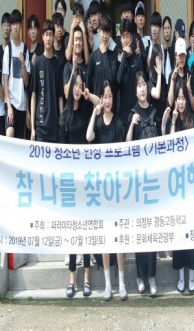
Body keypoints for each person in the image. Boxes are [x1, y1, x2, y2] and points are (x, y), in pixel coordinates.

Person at [59, 68, 99, 298]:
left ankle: (86, 279)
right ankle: (71, 280)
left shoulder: (86, 112)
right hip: (70, 182)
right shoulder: (64, 116)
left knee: (86, 230)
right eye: (75, 84)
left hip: (86, 180)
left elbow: (100, 103)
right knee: (73, 232)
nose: (77, 88)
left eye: (80, 85)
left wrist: (88, 94)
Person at [86, 81, 127, 301]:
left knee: (118, 237)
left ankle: (121, 283)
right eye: (105, 97)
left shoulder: (119, 122)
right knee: (105, 238)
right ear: (101, 98)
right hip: (101, 187)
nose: (108, 100)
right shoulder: (99, 122)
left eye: (111, 96)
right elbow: (89, 137)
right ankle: (108, 284)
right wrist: (95, 113)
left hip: (117, 187)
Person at [126, 71, 160, 297]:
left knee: (153, 228)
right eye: (138, 85)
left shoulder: (155, 111)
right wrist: (131, 125)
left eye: (144, 84)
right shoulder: (132, 114)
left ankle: (152, 276)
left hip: (154, 179)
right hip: (138, 181)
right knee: (140, 228)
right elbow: (127, 145)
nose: (141, 88)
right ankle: (140, 276)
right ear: (135, 89)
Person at [161, 84, 194, 293]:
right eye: (179, 98)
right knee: (178, 230)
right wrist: (173, 121)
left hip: (189, 181)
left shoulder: (192, 120)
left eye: (184, 98)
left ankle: (192, 275)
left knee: (190, 230)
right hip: (175, 184)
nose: (181, 102)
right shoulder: (172, 121)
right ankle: (181, 276)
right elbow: (170, 145)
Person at [30, 19, 64, 142]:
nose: (48, 38)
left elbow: (60, 96)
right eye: (46, 35)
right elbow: (33, 96)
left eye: (51, 35)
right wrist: (33, 128)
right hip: (40, 125)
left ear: (54, 37)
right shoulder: (38, 63)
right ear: (43, 37)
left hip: (54, 125)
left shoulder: (57, 64)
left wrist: (61, 121)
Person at [3, 9, 31, 139]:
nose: (15, 27)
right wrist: (8, 106)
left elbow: (27, 82)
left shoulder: (25, 49)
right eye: (13, 24)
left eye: (17, 24)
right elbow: (5, 80)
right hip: (11, 102)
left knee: (19, 139)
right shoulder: (7, 49)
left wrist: (23, 63)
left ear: (21, 26)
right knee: (9, 134)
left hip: (22, 104)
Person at [116, 17, 146, 126]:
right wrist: (124, 54)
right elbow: (118, 80)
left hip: (136, 112)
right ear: (120, 38)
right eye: (123, 36)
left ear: (131, 37)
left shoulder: (137, 58)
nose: (125, 40)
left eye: (127, 36)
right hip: (122, 114)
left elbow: (142, 84)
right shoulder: (118, 58)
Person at [85, 12, 117, 98]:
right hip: (97, 103)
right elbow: (88, 84)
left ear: (110, 33)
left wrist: (104, 54)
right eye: (103, 31)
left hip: (109, 103)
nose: (105, 36)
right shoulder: (93, 56)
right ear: (99, 31)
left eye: (107, 32)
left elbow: (111, 79)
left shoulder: (113, 55)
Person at [0, 12, 11, 84]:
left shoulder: (13, 49)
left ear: (11, 28)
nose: (6, 28)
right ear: (1, 27)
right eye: (4, 25)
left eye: (8, 25)